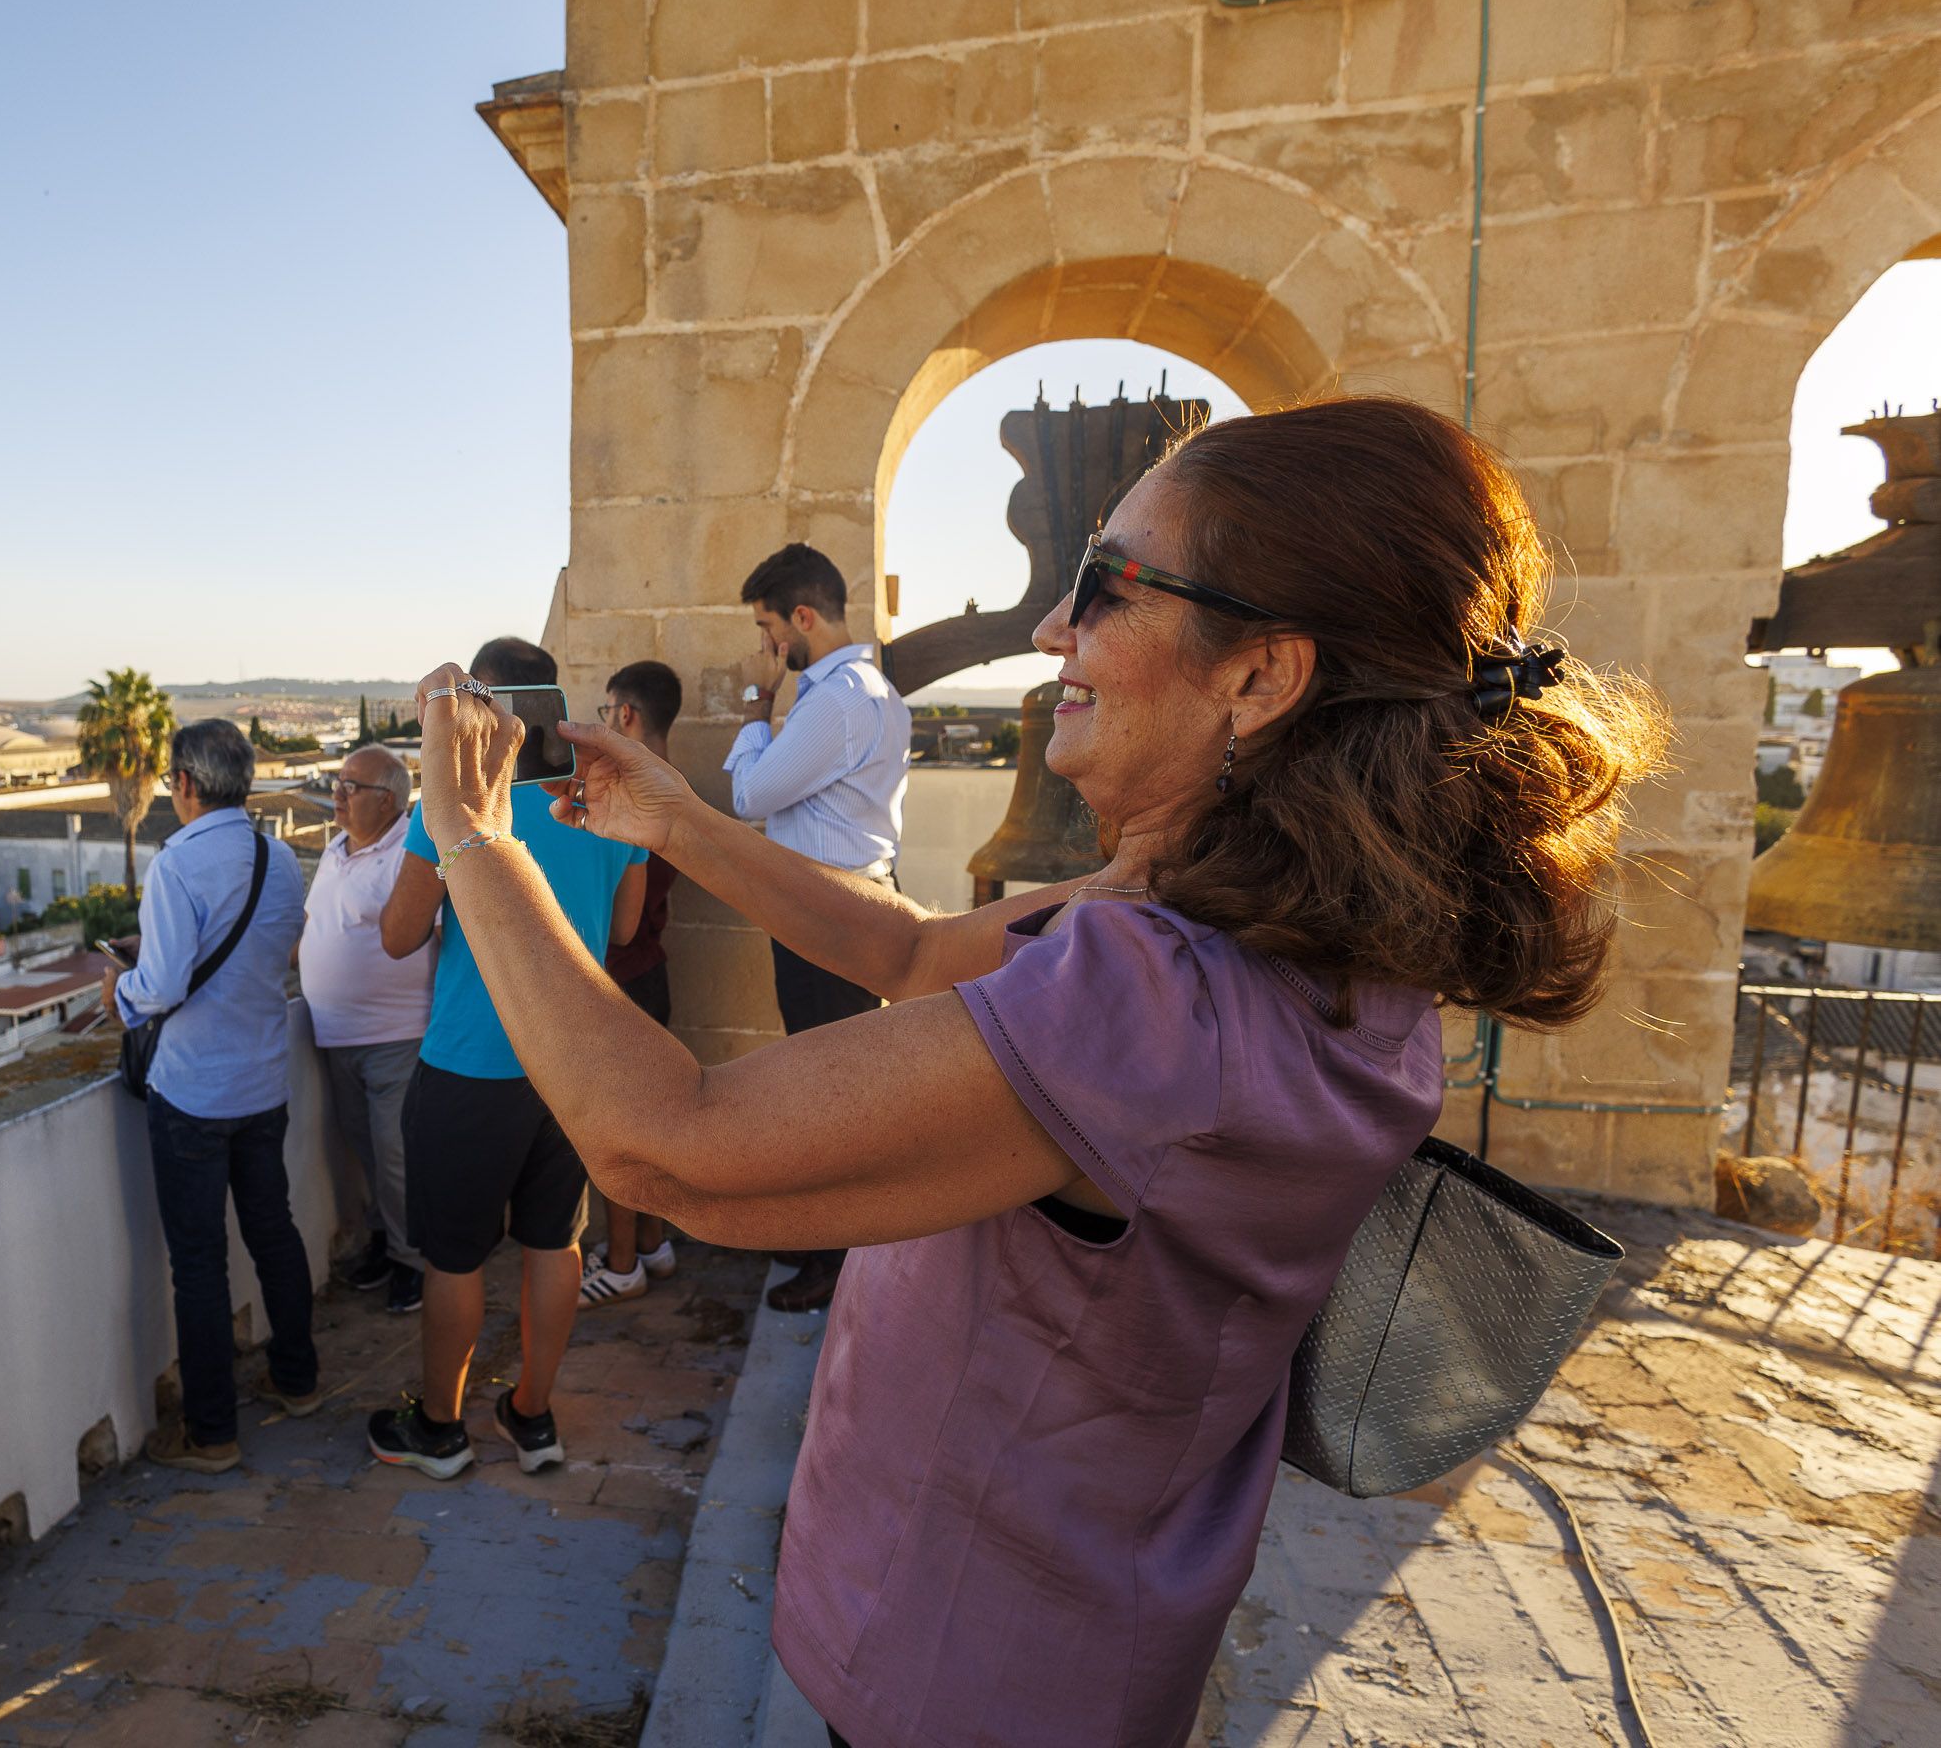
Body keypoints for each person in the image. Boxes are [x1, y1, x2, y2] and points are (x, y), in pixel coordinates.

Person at [402, 397, 1666, 1747]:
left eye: (1108, 588)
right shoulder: (1302, 944)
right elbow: (901, 945)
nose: (1056, 630)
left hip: (957, 1671)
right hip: (1081, 1644)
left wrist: (475, 840)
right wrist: (674, 816)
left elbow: (662, 1148)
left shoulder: (1155, 998)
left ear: (1261, 677)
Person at [367, 636, 647, 1480]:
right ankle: (532, 1417)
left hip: (470, 1065)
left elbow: (397, 936)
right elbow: (626, 930)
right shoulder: (599, 797)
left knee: (453, 1259)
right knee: (555, 1245)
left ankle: (441, 1429)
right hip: (572, 1067)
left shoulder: (456, 800)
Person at [113, 718, 316, 1475]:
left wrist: (121, 989)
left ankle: (213, 1432)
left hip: (194, 1091)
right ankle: (298, 1381)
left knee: (198, 1264)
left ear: (187, 784)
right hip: (263, 1078)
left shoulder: (176, 864)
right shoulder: (283, 858)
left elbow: (161, 986)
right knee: (274, 1233)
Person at [725, 541, 912, 1312]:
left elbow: (751, 795)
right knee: (833, 1082)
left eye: (771, 629)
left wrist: (751, 709)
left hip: (830, 918)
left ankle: (836, 1262)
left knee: (831, 1093)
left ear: (804, 617)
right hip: (843, 908)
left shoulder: (834, 700)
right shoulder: (866, 691)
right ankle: (824, 1242)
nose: (769, 647)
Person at [297, 742, 433, 1316]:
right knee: (366, 1152)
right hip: (336, 1035)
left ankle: (415, 1261)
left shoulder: (412, 853)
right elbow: (313, 926)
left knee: (396, 1152)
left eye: (352, 786)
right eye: (339, 781)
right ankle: (385, 1240)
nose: (338, 793)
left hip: (395, 1034)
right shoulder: (335, 850)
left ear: (390, 801)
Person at [581, 659, 682, 1308]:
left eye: (605, 711)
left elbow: (618, 917)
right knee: (653, 1125)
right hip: (653, 972)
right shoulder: (675, 786)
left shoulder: (633, 792)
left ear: (625, 716)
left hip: (622, 976)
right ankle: (653, 1241)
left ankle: (621, 1263)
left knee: (617, 1132)